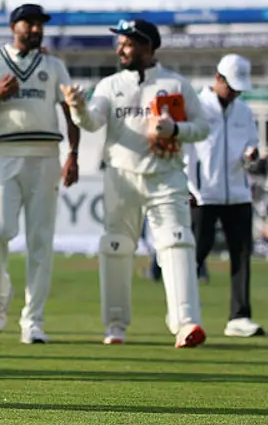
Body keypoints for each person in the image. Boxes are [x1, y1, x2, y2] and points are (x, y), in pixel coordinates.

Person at [61, 18, 209, 348]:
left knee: (177, 241)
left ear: (148, 46)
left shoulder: (175, 84)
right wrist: (77, 107)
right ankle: (115, 324)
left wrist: (175, 130)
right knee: (115, 246)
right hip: (121, 176)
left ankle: (186, 323)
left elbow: (202, 128)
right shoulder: (110, 85)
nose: (121, 48)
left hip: (167, 175)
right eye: (120, 43)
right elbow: (92, 121)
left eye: (128, 43)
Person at [0, 3, 80, 343]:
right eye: (29, 24)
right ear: (13, 26)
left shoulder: (53, 64)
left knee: (40, 242)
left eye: (40, 25)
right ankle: (0, 291)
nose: (36, 30)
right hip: (5, 154)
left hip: (46, 157)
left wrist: (73, 155)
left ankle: (32, 321)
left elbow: (70, 112)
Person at [186, 53, 265, 337]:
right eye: (231, 86)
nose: (235, 93)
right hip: (203, 194)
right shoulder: (195, 106)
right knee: (195, 254)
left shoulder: (244, 111)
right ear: (217, 78)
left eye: (239, 88)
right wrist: (188, 186)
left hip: (238, 193)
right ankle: (186, 313)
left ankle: (239, 317)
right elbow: (186, 149)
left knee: (242, 253)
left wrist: (250, 155)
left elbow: (251, 145)